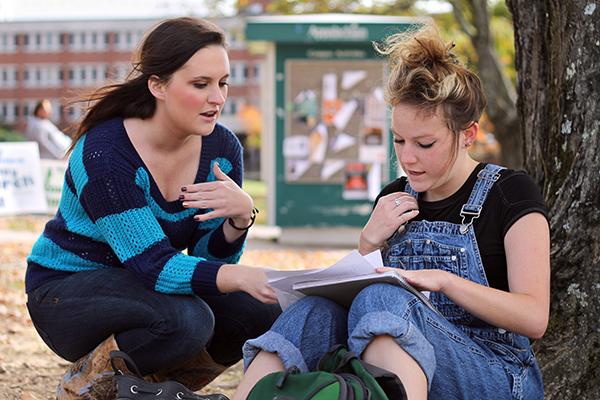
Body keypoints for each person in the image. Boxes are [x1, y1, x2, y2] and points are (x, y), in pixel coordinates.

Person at [234, 24, 550, 400]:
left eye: (425, 143)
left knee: (383, 300)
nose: (408, 157)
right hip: (397, 368)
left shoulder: (509, 192)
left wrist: (445, 281)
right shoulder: (394, 196)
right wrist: (368, 240)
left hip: (497, 375)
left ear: (468, 134)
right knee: (314, 312)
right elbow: (357, 297)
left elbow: (534, 318)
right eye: (399, 140)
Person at [24, 17, 281, 400]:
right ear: (158, 85)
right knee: (187, 320)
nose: (218, 98)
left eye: (223, 83)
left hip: (145, 289)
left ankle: (151, 392)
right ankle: (84, 387)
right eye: (201, 84)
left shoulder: (221, 150)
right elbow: (153, 265)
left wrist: (238, 219)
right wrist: (242, 276)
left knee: (257, 311)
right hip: (66, 292)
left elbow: (206, 256)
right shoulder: (106, 153)